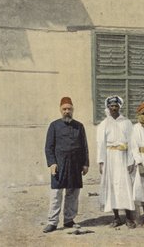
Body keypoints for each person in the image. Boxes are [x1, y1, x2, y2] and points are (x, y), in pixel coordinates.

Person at [43, 97, 89, 233]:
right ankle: (52, 222)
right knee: (56, 193)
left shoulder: (79, 126)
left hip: (75, 164)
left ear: (73, 110)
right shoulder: (54, 126)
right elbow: (48, 147)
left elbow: (84, 147)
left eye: (69, 109)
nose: (67, 111)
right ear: (60, 110)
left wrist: (85, 164)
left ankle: (69, 219)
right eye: (64, 109)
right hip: (59, 165)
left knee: (73, 193)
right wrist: (52, 163)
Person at [96, 95, 136, 229]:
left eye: (116, 106)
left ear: (120, 107)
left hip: (124, 157)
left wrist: (131, 160)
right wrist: (101, 162)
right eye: (111, 106)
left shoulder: (127, 122)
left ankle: (129, 218)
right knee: (112, 187)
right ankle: (116, 217)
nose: (114, 108)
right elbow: (100, 144)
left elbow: (132, 143)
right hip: (110, 158)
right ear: (108, 107)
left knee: (126, 187)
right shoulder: (104, 124)